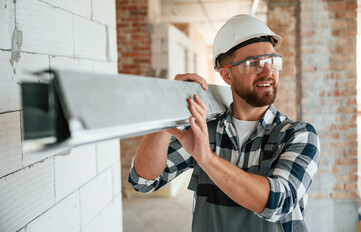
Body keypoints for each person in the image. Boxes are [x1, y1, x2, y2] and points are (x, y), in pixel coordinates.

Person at [128, 14, 320, 232]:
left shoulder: (298, 135)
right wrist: (167, 110)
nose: (268, 72)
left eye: (272, 61)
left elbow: (278, 202)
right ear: (227, 75)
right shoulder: (205, 129)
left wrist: (206, 158)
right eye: (253, 64)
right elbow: (143, 181)